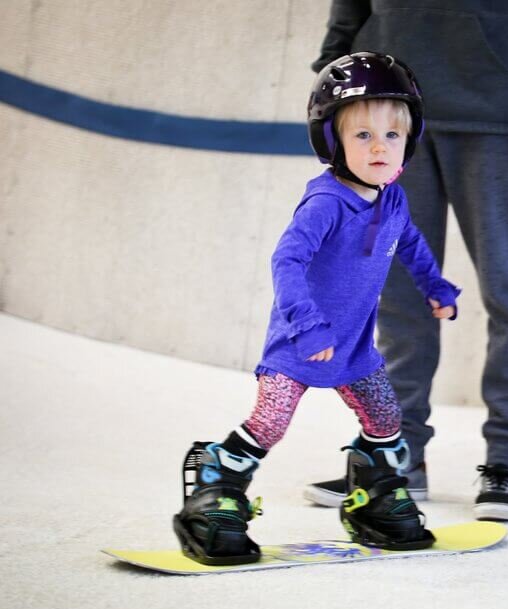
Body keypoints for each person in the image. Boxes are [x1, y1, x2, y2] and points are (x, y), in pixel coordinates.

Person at [304, 1, 508, 520]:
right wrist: (335, 75)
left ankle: (506, 461)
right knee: (397, 298)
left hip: (500, 114)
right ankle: (398, 454)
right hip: (387, 113)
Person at [172, 52, 461, 565]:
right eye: (363, 136)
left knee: (386, 418)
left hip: (353, 347)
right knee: (270, 424)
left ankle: (372, 493)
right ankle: (215, 483)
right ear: (333, 142)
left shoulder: (391, 200)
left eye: (392, 136)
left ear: (408, 143)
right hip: (300, 342)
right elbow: (286, 260)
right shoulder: (327, 202)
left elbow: (410, 243)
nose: (379, 147)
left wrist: (435, 287)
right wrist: (307, 328)